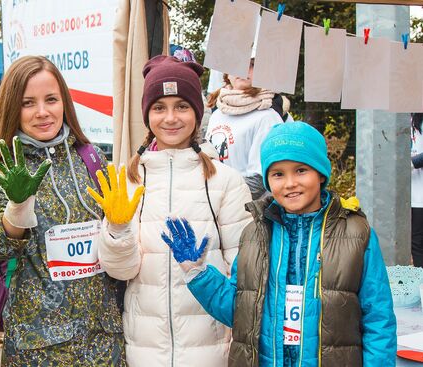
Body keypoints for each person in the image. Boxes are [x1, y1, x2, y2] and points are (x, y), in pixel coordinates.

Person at [165, 121, 396, 366]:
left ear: (320, 174)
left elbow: (378, 319)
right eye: (278, 174)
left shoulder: (356, 234)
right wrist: (198, 274)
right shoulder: (255, 235)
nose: (289, 183)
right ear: (268, 181)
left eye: (301, 170)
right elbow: (241, 312)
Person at [88, 55, 252, 366]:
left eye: (182, 106)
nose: (171, 117)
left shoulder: (226, 182)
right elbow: (120, 271)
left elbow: (244, 275)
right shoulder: (129, 181)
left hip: (212, 350)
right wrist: (118, 231)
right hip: (145, 350)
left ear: (197, 112)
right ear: (147, 115)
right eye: (159, 107)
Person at [0, 55, 125, 366]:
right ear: (12, 108)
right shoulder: (5, 165)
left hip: (101, 340)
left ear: (65, 103)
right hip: (39, 344)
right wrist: (17, 207)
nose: (42, 112)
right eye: (28, 103)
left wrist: (121, 228)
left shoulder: (92, 157)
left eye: (51, 100)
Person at [205, 59, 286, 200]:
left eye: (252, 64)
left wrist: (222, 202)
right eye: (237, 62)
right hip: (215, 204)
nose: (242, 69)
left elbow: (260, 180)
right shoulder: (218, 113)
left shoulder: (267, 116)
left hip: (247, 210)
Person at [411, 113, 423, 267]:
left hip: (420, 194)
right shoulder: (407, 119)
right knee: (415, 242)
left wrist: (412, 163)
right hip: (411, 194)